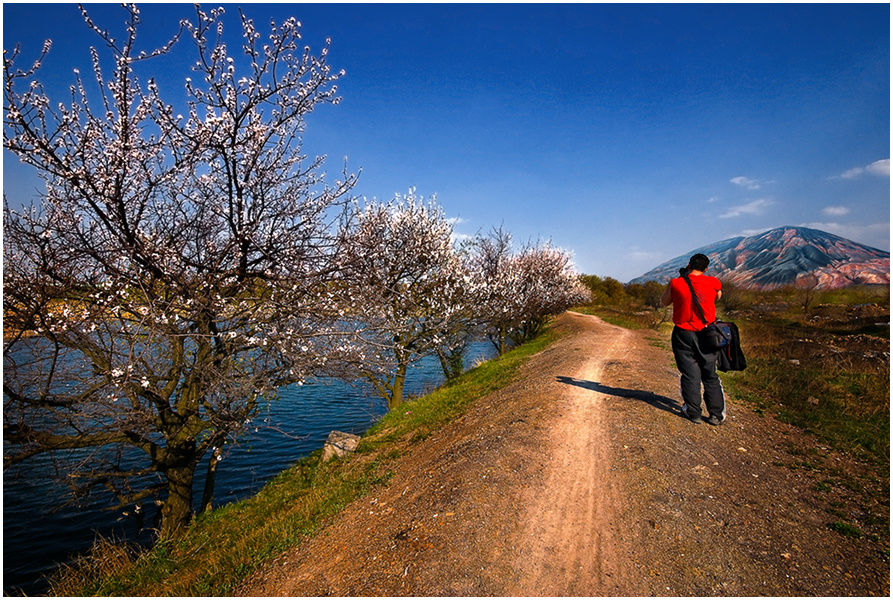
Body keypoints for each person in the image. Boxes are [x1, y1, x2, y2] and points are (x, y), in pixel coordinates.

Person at [660, 253, 725, 425]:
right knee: (710, 374)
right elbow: (717, 298)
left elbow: (664, 302)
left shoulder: (676, 283)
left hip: (683, 334)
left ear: (689, 265)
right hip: (707, 333)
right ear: (706, 268)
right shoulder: (714, 282)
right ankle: (716, 415)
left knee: (690, 374)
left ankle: (693, 411)